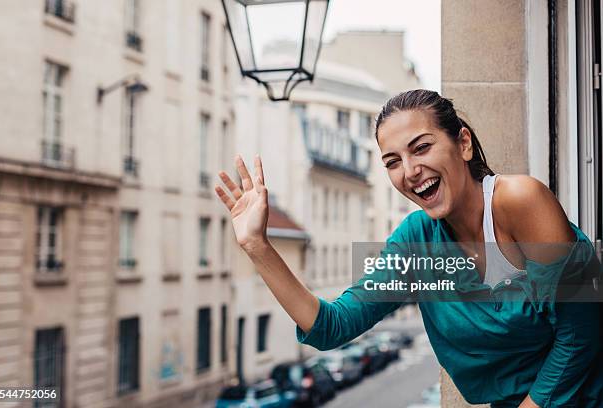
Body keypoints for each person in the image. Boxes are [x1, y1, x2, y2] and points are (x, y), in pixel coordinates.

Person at [214, 90, 603, 408]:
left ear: (463, 143)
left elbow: (581, 332)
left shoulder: (520, 200)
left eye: (421, 148)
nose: (410, 171)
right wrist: (257, 246)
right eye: (392, 161)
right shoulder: (415, 243)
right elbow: (331, 327)